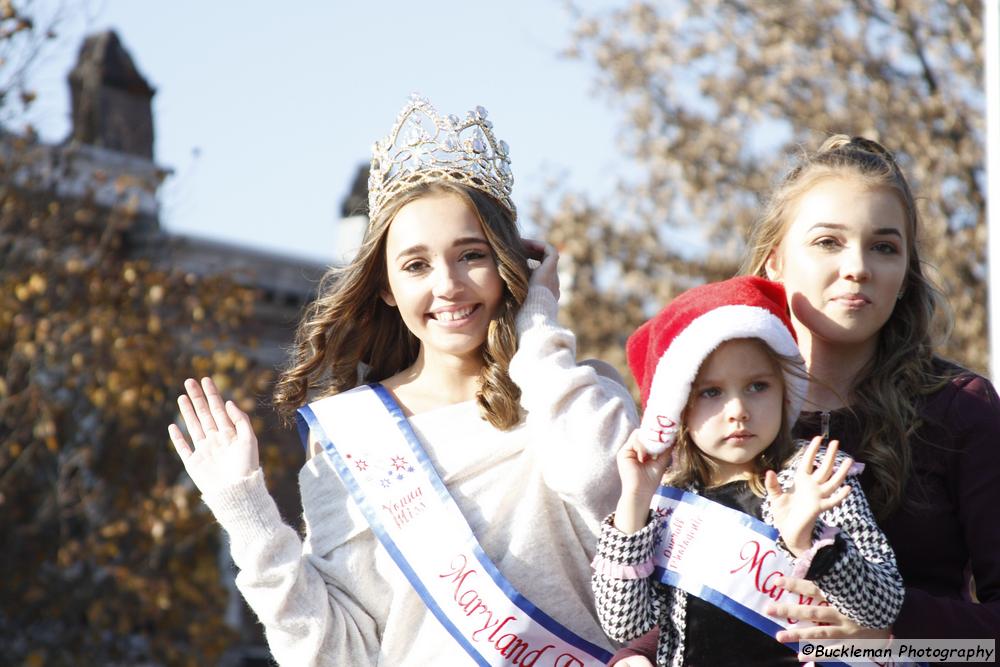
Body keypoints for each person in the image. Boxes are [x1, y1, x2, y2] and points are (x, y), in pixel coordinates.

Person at [167, 94, 638, 666]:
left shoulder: (575, 395)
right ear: (386, 288)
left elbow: (611, 498)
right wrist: (247, 511)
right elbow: (334, 654)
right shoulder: (350, 434)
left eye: (472, 255)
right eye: (416, 265)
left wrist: (537, 323)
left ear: (512, 264)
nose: (448, 285)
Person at [609, 135, 1000, 665]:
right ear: (775, 262)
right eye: (827, 242)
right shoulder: (716, 411)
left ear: (906, 273)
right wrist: (634, 657)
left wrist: (896, 639)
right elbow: (688, 603)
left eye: (884, 246)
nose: (858, 266)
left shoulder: (959, 408)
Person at [592, 275, 904, 666]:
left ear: (785, 390)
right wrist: (635, 500)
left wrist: (812, 543)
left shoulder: (816, 475)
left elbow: (882, 607)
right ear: (678, 410)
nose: (738, 409)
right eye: (712, 392)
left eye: (757, 386)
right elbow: (624, 624)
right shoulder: (669, 501)